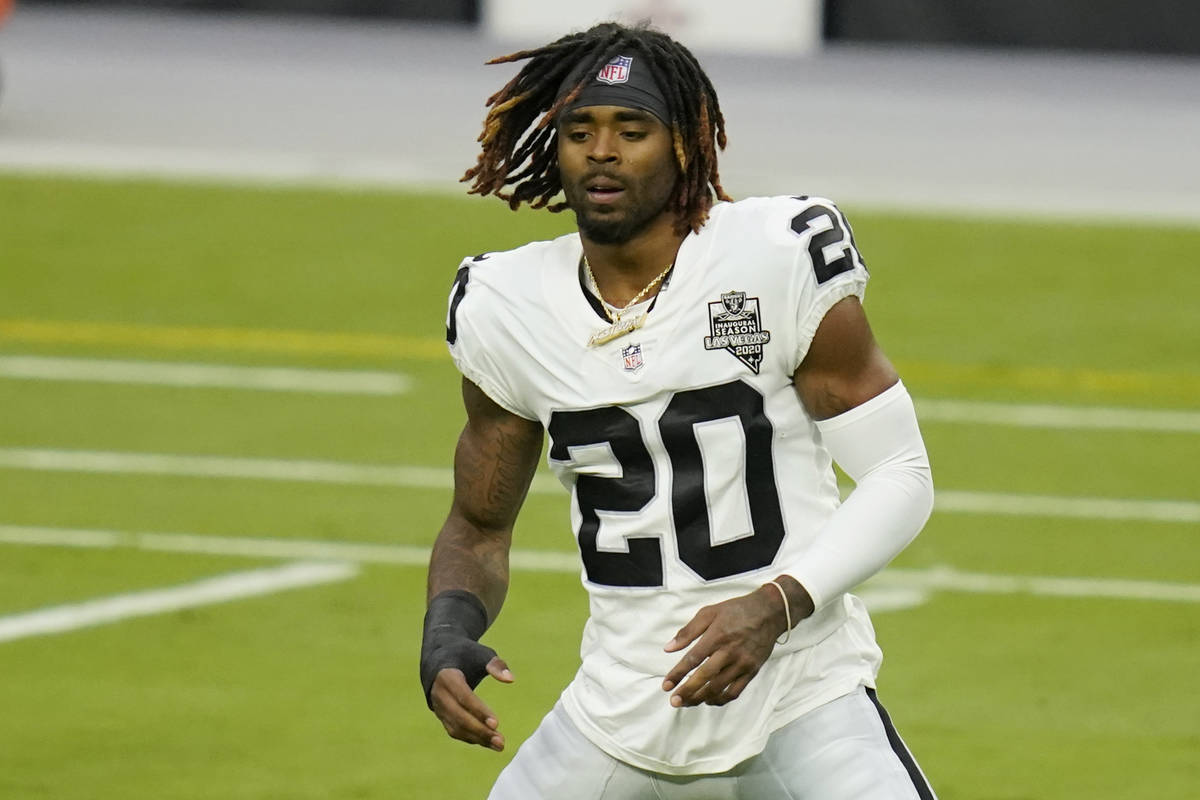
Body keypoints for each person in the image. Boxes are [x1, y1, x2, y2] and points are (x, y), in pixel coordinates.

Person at [420, 21, 937, 799]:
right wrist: (447, 630)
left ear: (685, 147)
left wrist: (776, 604)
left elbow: (901, 471)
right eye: (580, 131)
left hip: (801, 688)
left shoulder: (775, 255)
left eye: (632, 130)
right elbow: (479, 525)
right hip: (623, 704)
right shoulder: (505, 304)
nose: (602, 150)